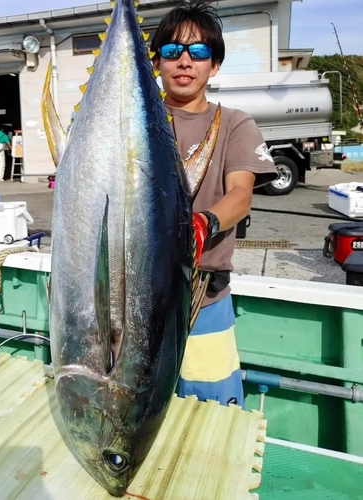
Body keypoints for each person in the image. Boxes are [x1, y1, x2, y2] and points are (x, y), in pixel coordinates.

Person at [150, 0, 278, 408]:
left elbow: (240, 194)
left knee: (210, 414)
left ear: (215, 64)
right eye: (172, 51)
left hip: (205, 298)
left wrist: (204, 222)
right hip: (138, 300)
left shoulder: (235, 124)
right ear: (156, 63)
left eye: (199, 51)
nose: (184, 61)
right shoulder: (137, 122)